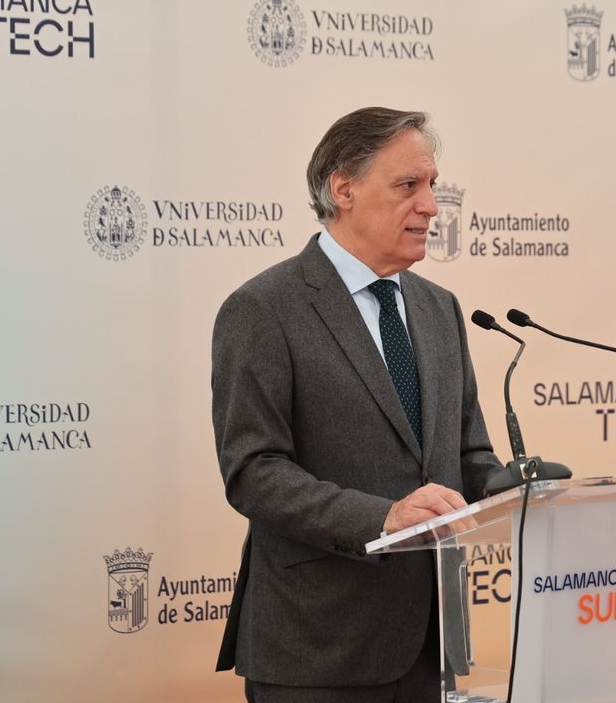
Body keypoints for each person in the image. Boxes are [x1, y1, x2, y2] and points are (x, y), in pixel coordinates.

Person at [212, 107, 503, 702]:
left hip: (430, 644)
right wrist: (382, 517)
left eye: (432, 185)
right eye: (408, 185)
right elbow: (254, 472)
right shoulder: (263, 309)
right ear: (343, 189)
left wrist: (520, 489)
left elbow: (468, 452)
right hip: (317, 647)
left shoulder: (440, 308)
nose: (431, 206)